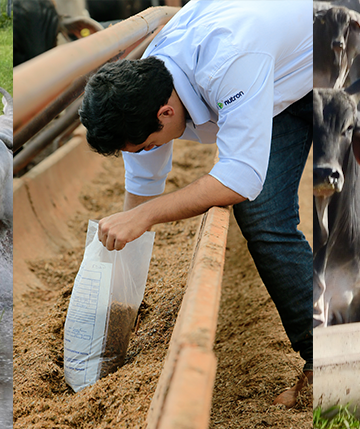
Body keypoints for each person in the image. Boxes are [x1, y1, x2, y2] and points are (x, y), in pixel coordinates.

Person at [78, 0, 314, 406]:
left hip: (329, 50)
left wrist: (146, 216)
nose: (148, 151)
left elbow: (240, 177)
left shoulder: (229, 61)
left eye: (150, 144)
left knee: (270, 213)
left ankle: (328, 361)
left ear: (166, 112)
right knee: (261, 213)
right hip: (275, 72)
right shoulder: (147, 83)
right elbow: (142, 185)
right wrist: (120, 299)